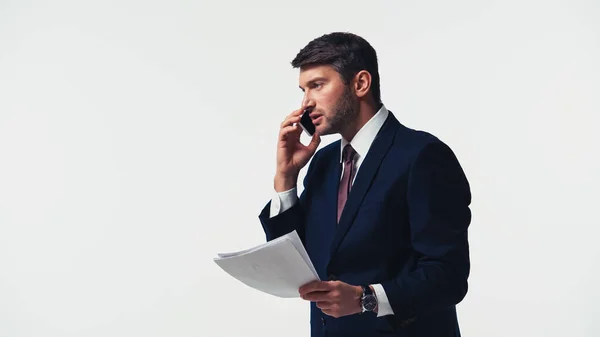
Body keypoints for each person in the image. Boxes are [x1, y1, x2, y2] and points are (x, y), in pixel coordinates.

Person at [258, 32, 472, 337]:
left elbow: (447, 275)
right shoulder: (322, 163)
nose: (306, 104)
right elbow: (298, 261)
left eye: (317, 85)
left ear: (360, 84)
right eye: (303, 90)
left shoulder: (422, 156)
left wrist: (366, 298)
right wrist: (285, 179)